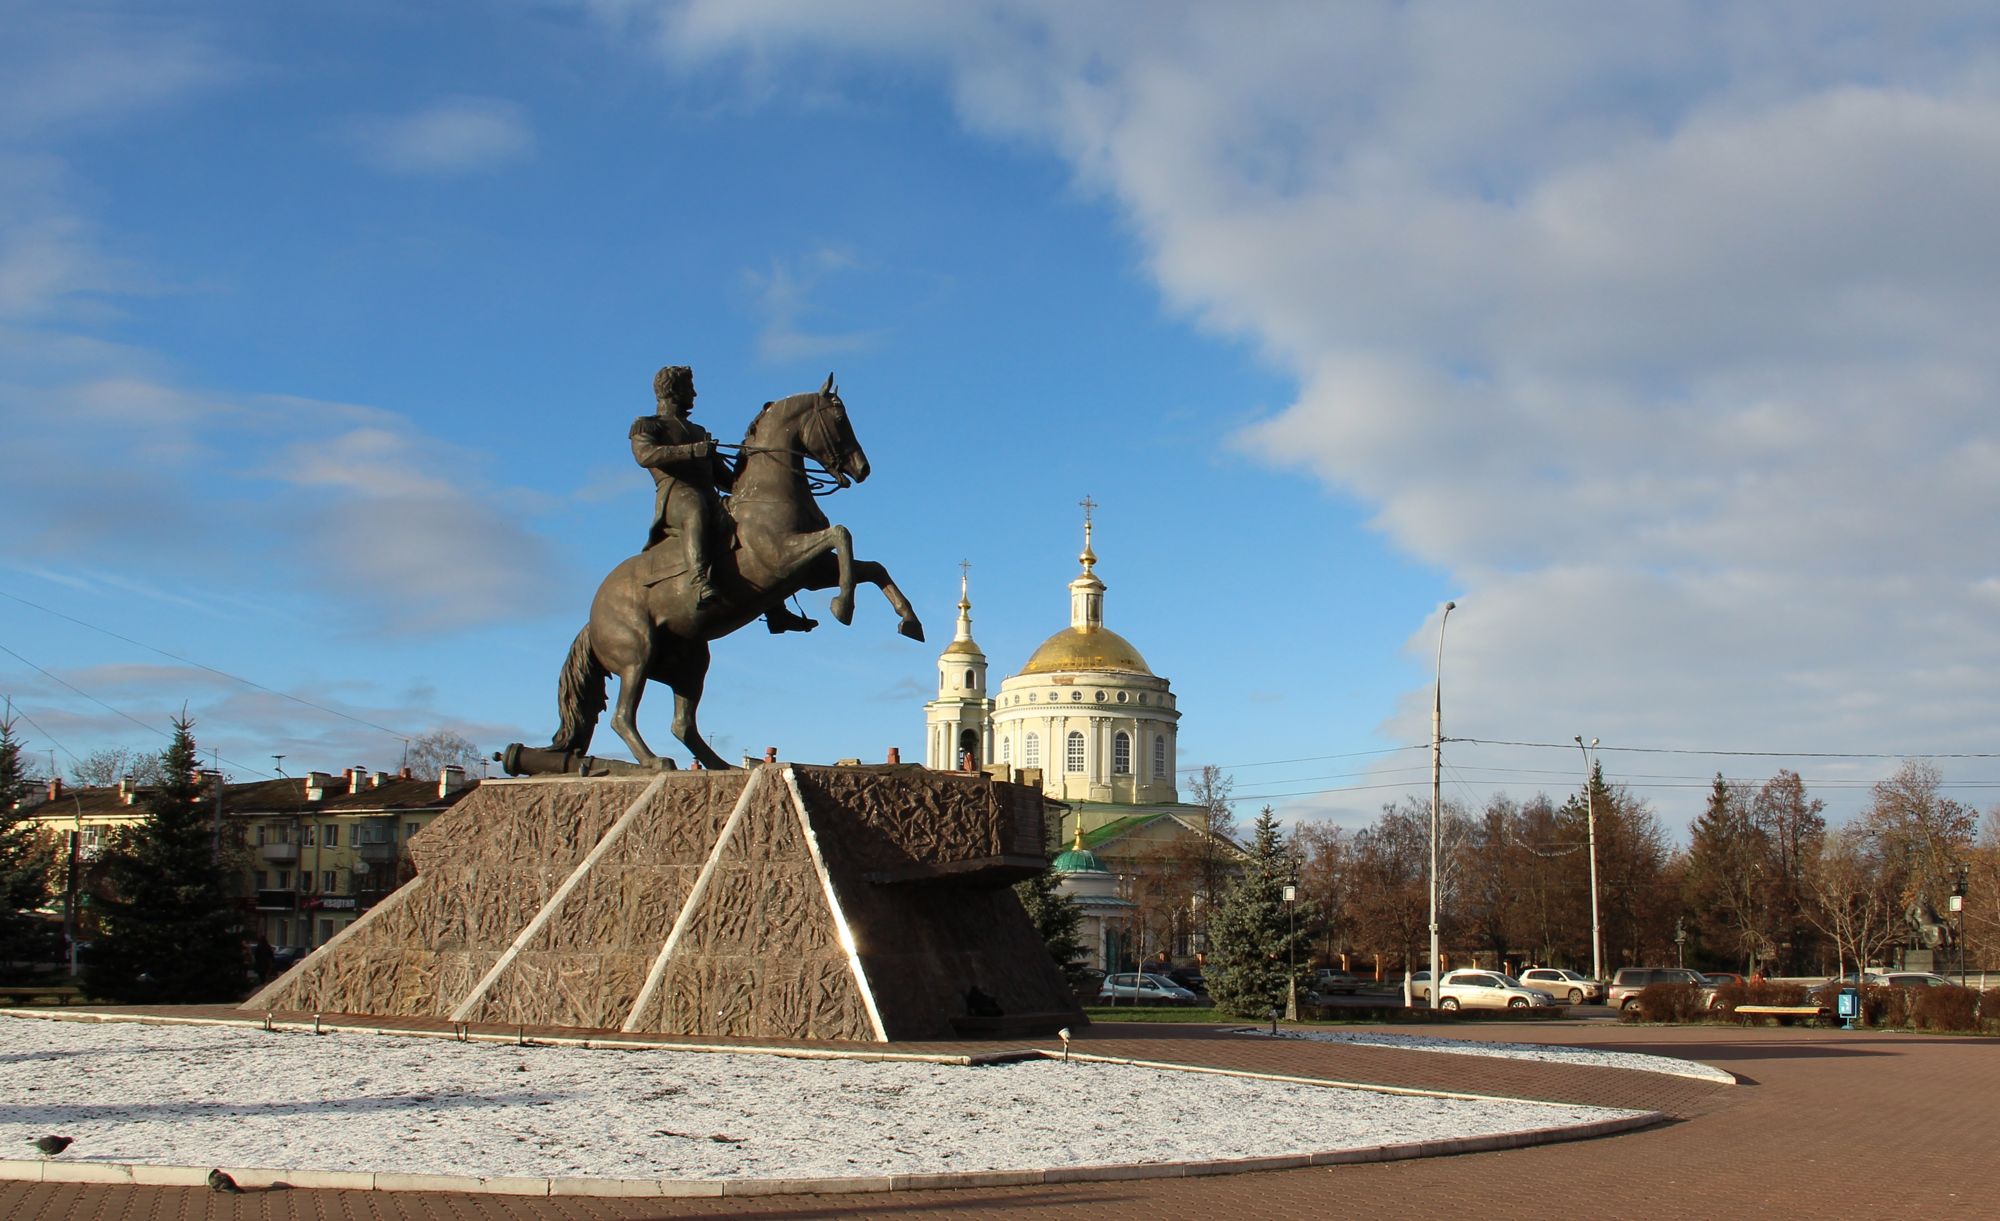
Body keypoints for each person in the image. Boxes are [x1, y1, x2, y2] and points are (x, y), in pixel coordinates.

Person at [632, 365, 734, 606]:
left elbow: (723, 477)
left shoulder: (699, 431)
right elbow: (645, 455)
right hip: (675, 494)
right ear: (673, 390)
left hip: (709, 493)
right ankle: (699, 582)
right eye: (689, 388)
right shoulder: (648, 425)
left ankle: (775, 608)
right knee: (695, 512)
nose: (695, 394)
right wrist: (693, 450)